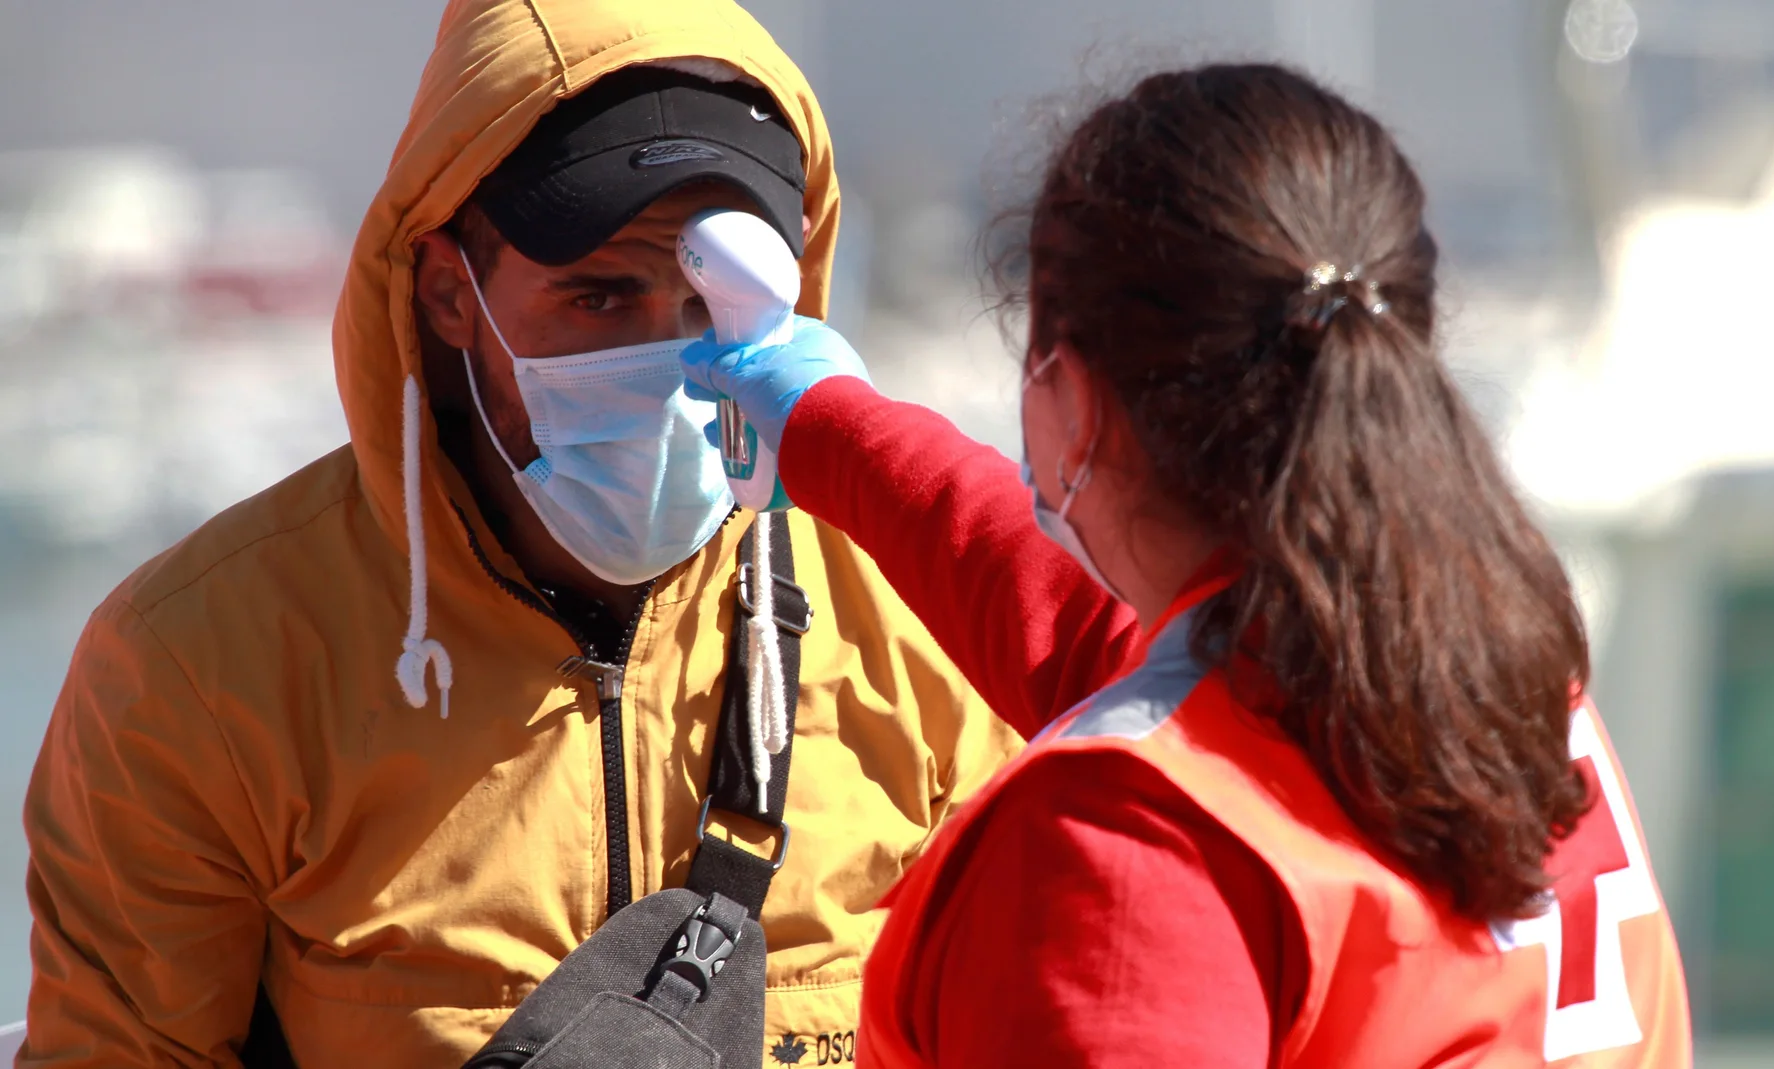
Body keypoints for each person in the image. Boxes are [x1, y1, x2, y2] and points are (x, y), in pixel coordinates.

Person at [20, 2, 1021, 1065]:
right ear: (450, 292)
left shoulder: (924, 627)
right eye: (598, 296)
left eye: (709, 306)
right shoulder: (200, 665)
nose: (666, 361)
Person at [683, 63, 1694, 1066]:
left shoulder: (1125, 841)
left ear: (1071, 397)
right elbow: (1093, 640)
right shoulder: (1490, 685)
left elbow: (1151, 744)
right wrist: (829, 425)